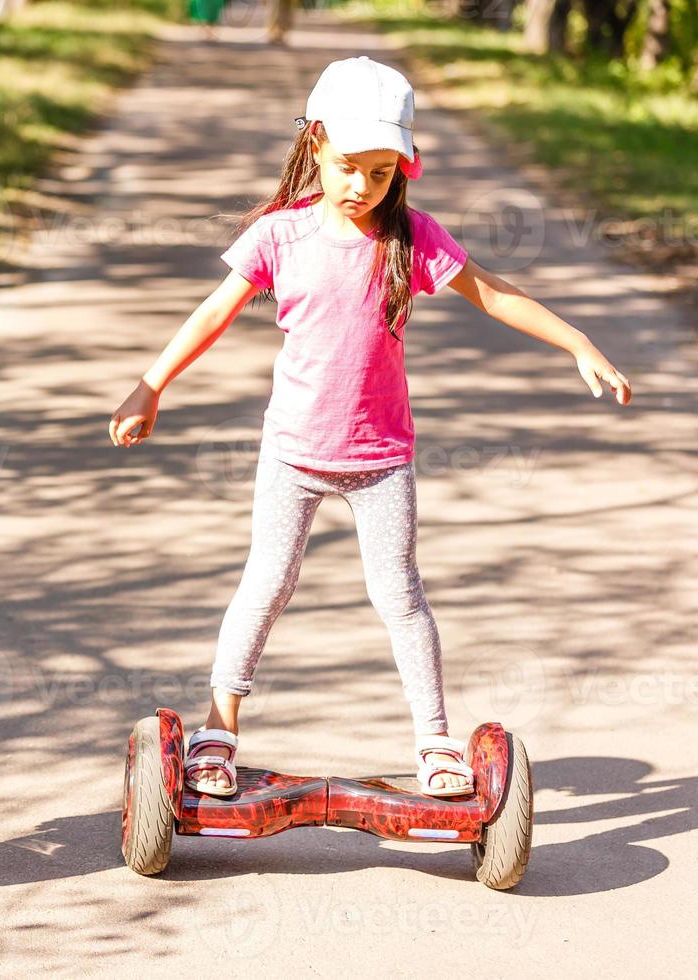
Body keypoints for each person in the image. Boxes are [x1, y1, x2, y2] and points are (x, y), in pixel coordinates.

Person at [108, 56, 631, 801]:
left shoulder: (410, 239)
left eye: (382, 174)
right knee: (267, 583)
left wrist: (579, 342)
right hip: (293, 454)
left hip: (382, 459)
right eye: (351, 167)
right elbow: (211, 314)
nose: (363, 187)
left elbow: (493, 293)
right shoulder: (278, 238)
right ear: (316, 143)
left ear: (401, 171)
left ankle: (434, 743)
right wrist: (150, 384)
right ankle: (218, 730)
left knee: (401, 596)